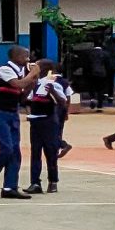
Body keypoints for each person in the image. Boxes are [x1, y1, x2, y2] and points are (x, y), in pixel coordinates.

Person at [0, 46, 31, 198]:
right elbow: (18, 84)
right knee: (7, 148)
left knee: (15, 150)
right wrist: (33, 74)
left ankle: (9, 188)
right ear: (15, 56)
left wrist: (33, 82)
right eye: (25, 56)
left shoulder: (23, 73)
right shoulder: (4, 69)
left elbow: (22, 96)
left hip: (12, 113)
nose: (28, 59)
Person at [26, 60, 70, 193]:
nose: (34, 67)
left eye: (37, 66)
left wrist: (53, 92)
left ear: (44, 69)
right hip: (35, 122)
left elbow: (62, 102)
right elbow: (27, 101)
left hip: (49, 122)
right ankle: (35, 183)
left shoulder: (51, 83)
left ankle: (53, 181)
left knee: (50, 152)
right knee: (35, 152)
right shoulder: (36, 83)